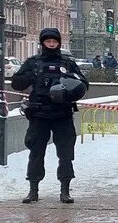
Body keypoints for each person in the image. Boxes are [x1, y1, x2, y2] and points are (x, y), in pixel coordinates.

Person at [11, 27, 89, 204]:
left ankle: (65, 190)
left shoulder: (67, 63)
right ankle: (33, 190)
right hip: (39, 114)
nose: (51, 44)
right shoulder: (33, 63)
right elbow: (16, 83)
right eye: (48, 42)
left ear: (59, 43)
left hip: (62, 114)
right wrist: (31, 76)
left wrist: (70, 86)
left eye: (54, 42)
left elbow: (83, 83)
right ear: (42, 43)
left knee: (66, 153)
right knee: (36, 152)